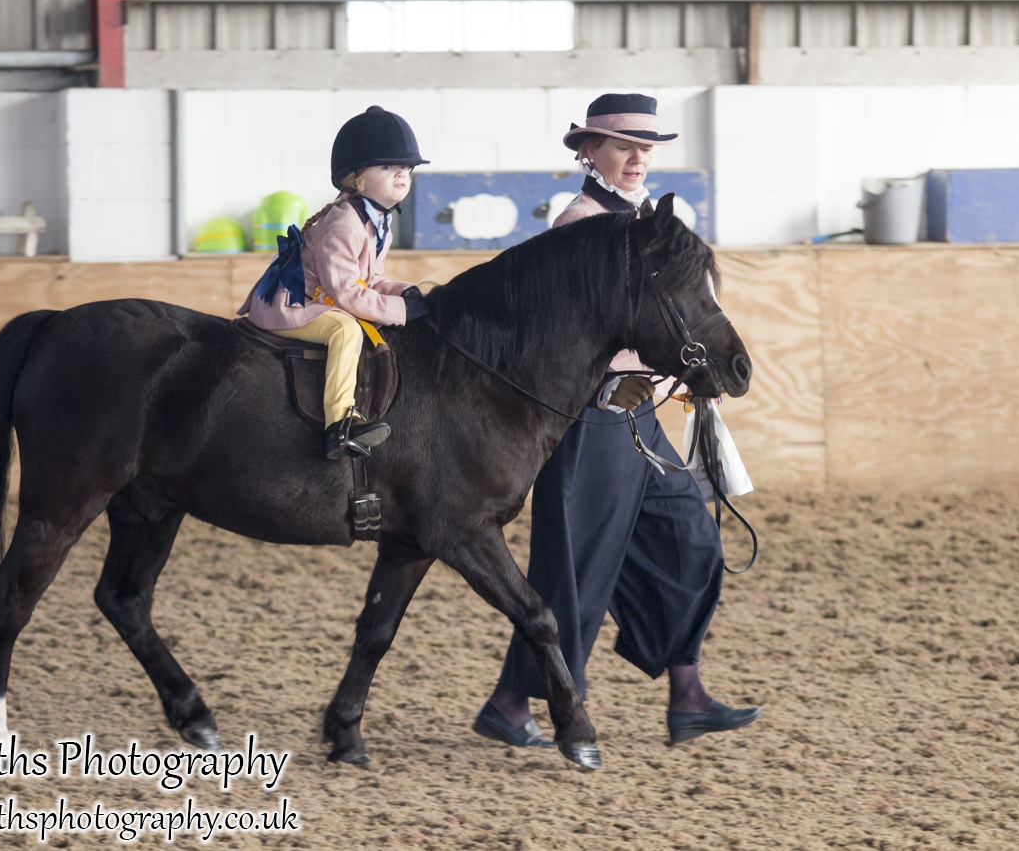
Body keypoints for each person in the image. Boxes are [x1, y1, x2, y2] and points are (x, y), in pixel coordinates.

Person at [472, 93, 761, 748]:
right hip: (592, 421)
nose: (637, 160)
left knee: (690, 539)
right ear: (589, 151)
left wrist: (688, 375)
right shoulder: (579, 222)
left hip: (640, 420)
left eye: (646, 149)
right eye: (624, 147)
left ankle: (685, 694)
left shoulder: (646, 224)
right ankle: (515, 701)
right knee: (579, 570)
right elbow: (568, 334)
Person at [238, 106, 430, 459]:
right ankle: (340, 424)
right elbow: (346, 292)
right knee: (345, 329)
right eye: (388, 167)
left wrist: (406, 292)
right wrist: (400, 309)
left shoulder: (378, 225)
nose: (402, 174)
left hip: (320, 299)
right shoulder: (345, 222)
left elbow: (370, 280)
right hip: (292, 304)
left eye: (406, 168)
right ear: (357, 178)